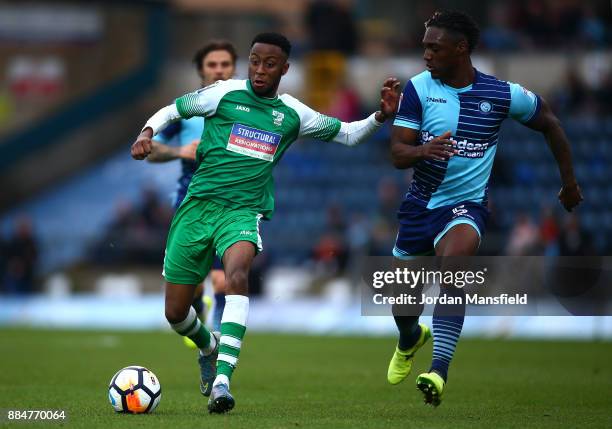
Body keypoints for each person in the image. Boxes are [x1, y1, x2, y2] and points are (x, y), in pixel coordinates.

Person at [131, 32, 400, 413]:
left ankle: (223, 380)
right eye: (255, 61)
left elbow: (347, 135)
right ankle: (208, 347)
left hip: (242, 212)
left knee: (237, 274)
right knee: (175, 313)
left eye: (269, 63)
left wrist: (379, 116)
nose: (260, 69)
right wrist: (146, 133)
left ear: (285, 69)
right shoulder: (223, 94)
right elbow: (173, 110)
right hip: (196, 209)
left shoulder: (292, 114)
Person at [387, 10, 583, 406]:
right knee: (403, 306)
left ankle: (438, 371)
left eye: (433, 47)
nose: (425, 54)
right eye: (424, 46)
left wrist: (569, 182)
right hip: (419, 208)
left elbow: (550, 122)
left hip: (465, 208)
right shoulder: (418, 89)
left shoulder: (499, 94)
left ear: (461, 49)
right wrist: (424, 150)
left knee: (454, 272)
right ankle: (410, 338)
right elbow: (397, 153)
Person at [146, 41, 237, 342]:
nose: (219, 70)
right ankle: (197, 310)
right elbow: (151, 151)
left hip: (233, 203)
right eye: (212, 65)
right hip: (189, 201)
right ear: (201, 71)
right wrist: (180, 152)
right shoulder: (186, 110)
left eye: (225, 64)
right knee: (194, 284)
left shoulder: (248, 109)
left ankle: (219, 341)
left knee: (224, 278)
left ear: (234, 68)